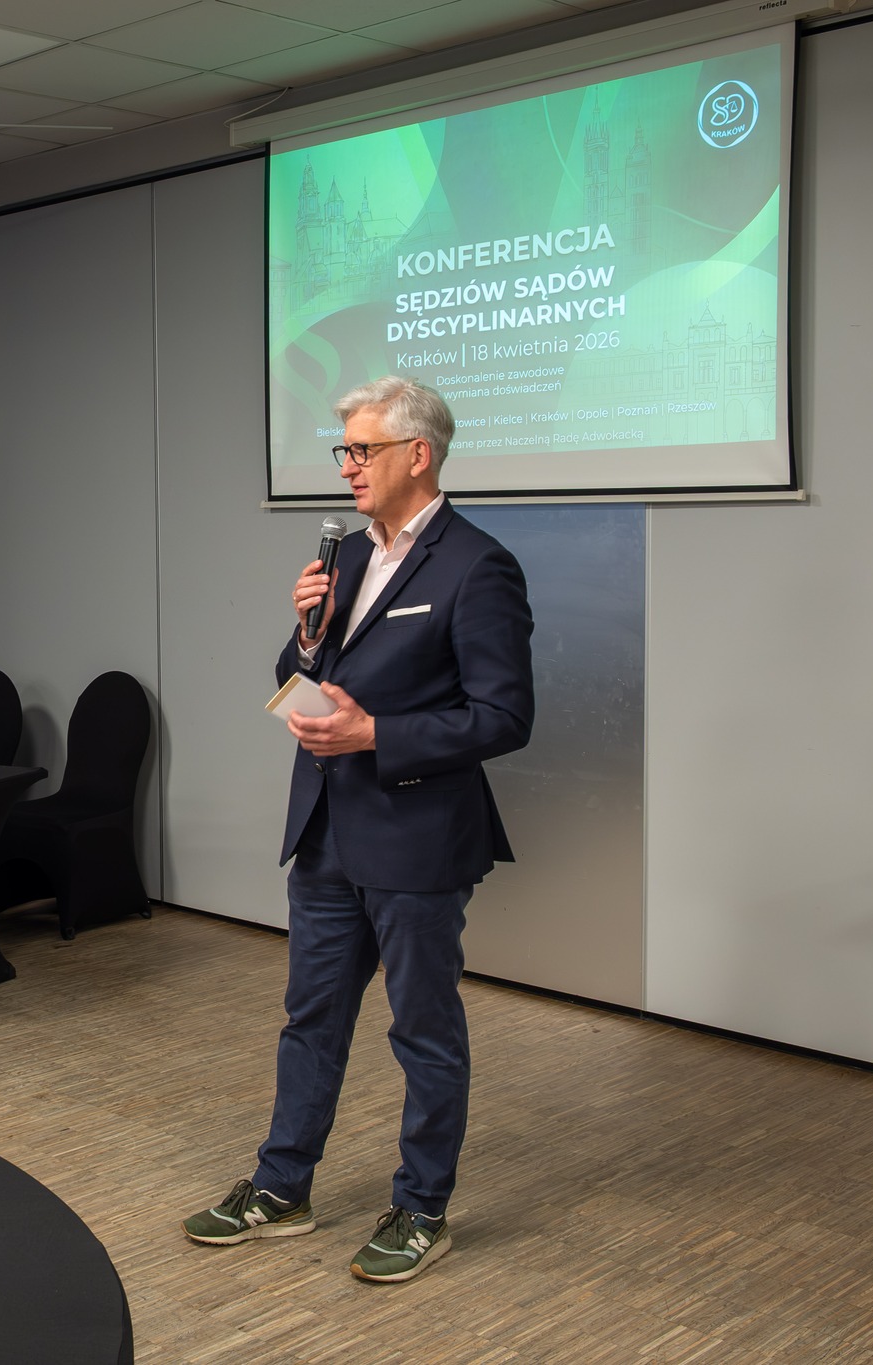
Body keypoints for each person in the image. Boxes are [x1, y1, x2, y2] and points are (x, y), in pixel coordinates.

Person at [182, 376, 535, 1283]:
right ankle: (281, 1187)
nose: (347, 466)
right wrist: (307, 638)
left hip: (416, 837)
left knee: (422, 1030)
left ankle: (422, 1207)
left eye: (362, 449)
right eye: (343, 450)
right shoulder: (342, 559)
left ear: (418, 454)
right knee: (311, 1018)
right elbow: (304, 672)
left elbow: (505, 716)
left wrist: (377, 733)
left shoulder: (478, 565)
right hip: (327, 830)